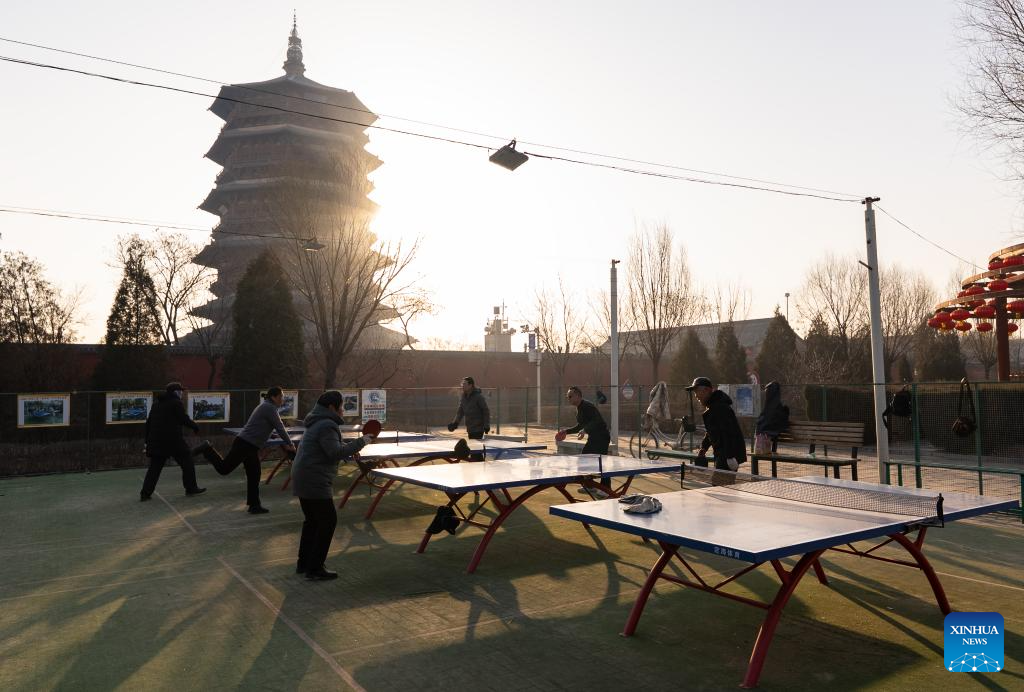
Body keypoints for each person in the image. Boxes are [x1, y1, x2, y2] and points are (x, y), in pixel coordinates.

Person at [291, 390, 376, 581]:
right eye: (341, 407)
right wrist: (362, 441)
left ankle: (304, 563)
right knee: (328, 521)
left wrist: (348, 450)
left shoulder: (317, 422)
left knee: (312, 521)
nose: (343, 410)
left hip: (303, 474)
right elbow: (334, 452)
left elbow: (331, 447)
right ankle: (315, 568)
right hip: (314, 478)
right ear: (331, 408)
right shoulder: (327, 425)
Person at [193, 387, 297, 514]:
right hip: (245, 444)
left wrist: (271, 436)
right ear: (273, 397)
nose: (283, 399)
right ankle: (207, 449)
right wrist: (290, 444)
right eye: (281, 396)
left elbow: (262, 426)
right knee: (224, 469)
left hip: (249, 446)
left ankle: (254, 505)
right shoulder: (269, 408)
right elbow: (280, 427)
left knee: (254, 474)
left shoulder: (266, 406)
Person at [140, 382, 206, 501]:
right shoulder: (176, 403)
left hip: (157, 441)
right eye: (180, 391)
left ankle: (145, 494)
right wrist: (195, 426)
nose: (182, 393)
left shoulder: (156, 404)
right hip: (173, 441)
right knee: (187, 461)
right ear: (176, 392)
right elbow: (183, 418)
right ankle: (191, 488)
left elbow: (148, 423)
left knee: (154, 468)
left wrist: (147, 441)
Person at [687, 377, 747, 471]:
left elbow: (728, 432)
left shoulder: (720, 408)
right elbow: (712, 431)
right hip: (722, 455)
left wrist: (730, 457)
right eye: (694, 392)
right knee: (720, 484)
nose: (696, 396)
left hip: (726, 456)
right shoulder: (714, 407)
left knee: (720, 484)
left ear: (707, 390)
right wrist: (704, 448)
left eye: (697, 391)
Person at [559, 386, 611, 454]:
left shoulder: (587, 406)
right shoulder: (579, 407)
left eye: (570, 396)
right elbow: (580, 426)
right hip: (594, 438)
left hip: (601, 437)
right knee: (586, 459)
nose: (568, 399)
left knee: (588, 459)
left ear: (578, 396)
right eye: (567, 397)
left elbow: (596, 420)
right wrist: (566, 432)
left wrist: (585, 430)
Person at [754, 381, 789, 453]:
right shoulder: (777, 408)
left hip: (765, 437)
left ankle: (761, 446)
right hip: (770, 435)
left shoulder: (766, 407)